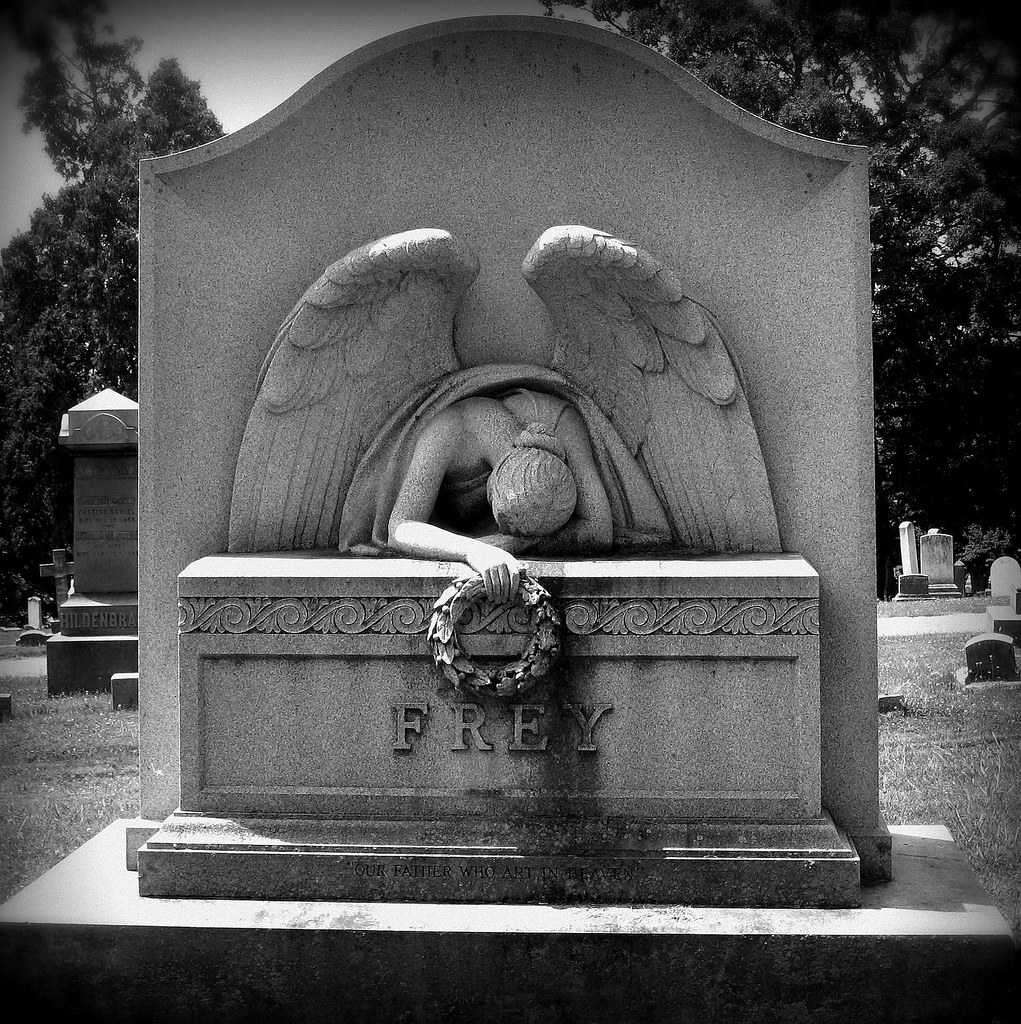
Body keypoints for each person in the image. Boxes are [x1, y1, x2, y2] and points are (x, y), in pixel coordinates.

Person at [388, 389, 612, 602]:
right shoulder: (448, 431)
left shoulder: (563, 423)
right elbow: (400, 527)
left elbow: (600, 529)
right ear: (492, 485)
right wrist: (474, 551)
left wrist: (511, 544)